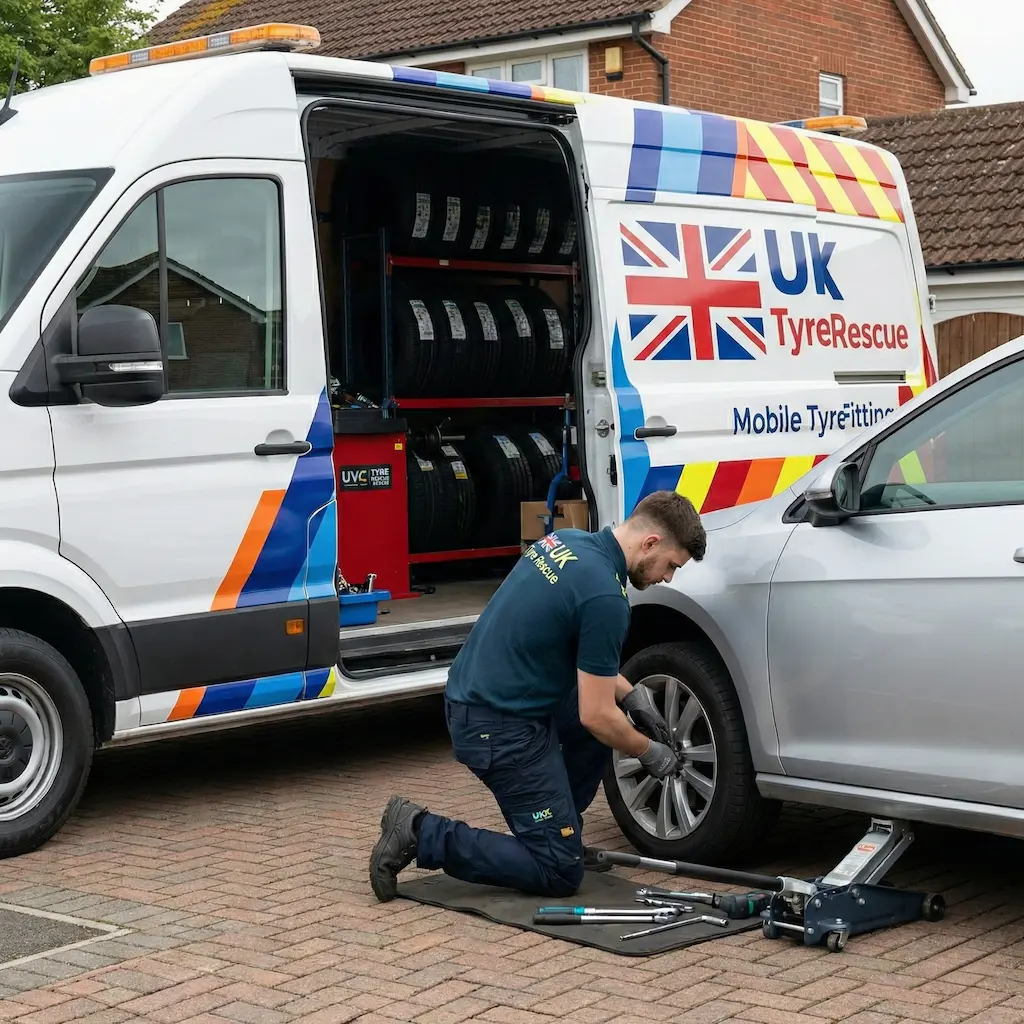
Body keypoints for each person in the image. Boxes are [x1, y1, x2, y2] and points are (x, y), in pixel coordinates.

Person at [368, 489, 707, 901]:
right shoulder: (606, 599)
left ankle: (559, 827)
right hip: (496, 725)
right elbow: (596, 716)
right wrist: (649, 752)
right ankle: (420, 832)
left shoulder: (569, 542)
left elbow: (575, 653)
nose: (667, 578)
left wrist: (632, 695)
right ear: (651, 542)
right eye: (671, 565)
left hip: (487, 697)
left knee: (616, 709)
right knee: (558, 871)